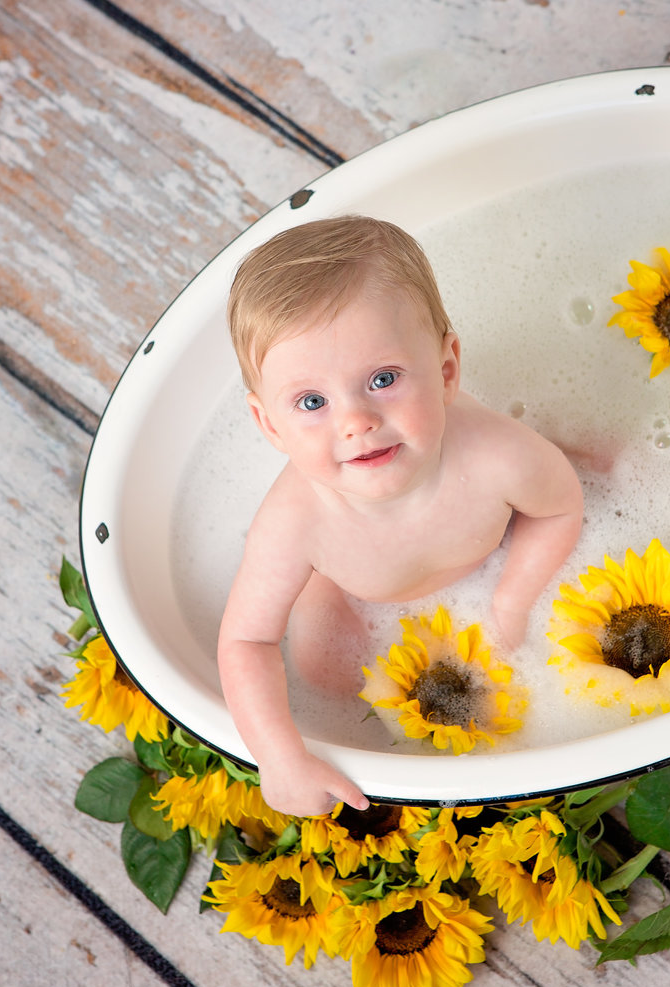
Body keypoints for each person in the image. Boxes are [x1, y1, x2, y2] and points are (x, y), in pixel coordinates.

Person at [217, 215, 583, 817]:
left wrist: (514, 598)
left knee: (579, 457)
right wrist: (279, 757)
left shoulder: (496, 455)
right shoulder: (296, 523)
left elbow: (561, 504)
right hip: (350, 593)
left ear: (445, 372)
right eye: (312, 401)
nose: (355, 421)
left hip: (487, 554)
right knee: (323, 671)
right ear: (269, 426)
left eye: (382, 379)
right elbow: (247, 639)